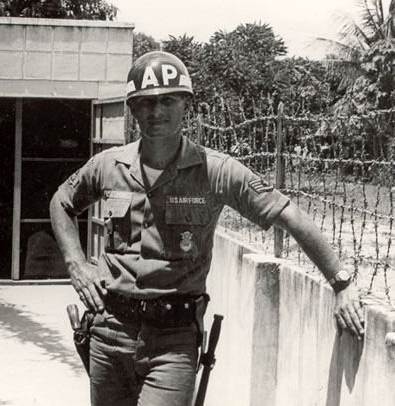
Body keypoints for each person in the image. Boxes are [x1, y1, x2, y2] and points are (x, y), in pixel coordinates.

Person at [50, 51, 364, 406]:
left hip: (173, 341)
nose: (156, 112)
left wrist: (341, 282)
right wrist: (76, 263)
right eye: (145, 103)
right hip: (109, 331)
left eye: (168, 100)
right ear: (132, 109)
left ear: (186, 104)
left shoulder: (217, 172)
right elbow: (61, 201)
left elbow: (288, 214)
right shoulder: (108, 166)